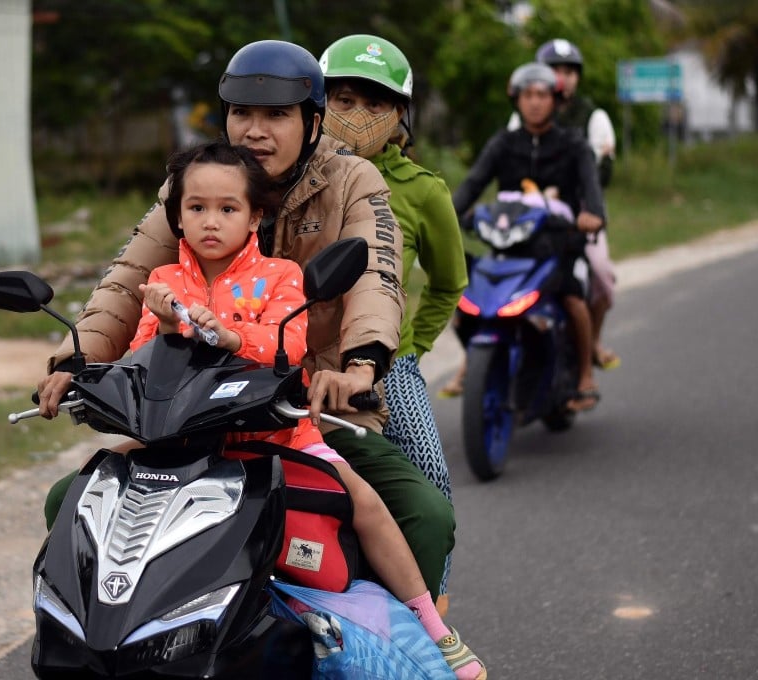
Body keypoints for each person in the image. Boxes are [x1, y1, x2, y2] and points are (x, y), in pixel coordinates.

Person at [36, 40, 460, 623]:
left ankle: (407, 635)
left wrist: (358, 367)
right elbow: (129, 277)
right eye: (242, 113)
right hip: (191, 418)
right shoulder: (197, 180)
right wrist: (72, 360)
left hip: (308, 411)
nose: (255, 131)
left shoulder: (354, 180)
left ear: (313, 122)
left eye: (277, 115)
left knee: (424, 512)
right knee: (72, 501)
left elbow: (377, 275)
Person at [131, 139, 483, 677]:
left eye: (228, 209)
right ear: (176, 215)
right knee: (96, 485)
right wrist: (164, 328)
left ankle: (432, 625)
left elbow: (286, 347)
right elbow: (140, 363)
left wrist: (229, 336)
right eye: (196, 208)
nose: (210, 222)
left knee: (361, 498)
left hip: (277, 432)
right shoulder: (162, 283)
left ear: (255, 216)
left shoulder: (281, 277)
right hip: (189, 438)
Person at [318, 34, 467, 599]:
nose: (358, 117)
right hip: (294, 356)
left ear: (402, 116)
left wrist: (410, 349)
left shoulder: (423, 192)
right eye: (345, 100)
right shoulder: (291, 181)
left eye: (376, 105)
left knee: (430, 491)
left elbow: (450, 283)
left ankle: (431, 611)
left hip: (382, 369)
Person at [451, 62, 607, 412]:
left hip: (559, 246)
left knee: (573, 300)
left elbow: (592, 190)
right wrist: (449, 213)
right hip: (509, 248)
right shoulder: (503, 144)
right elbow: (473, 184)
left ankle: (584, 373)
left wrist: (593, 215)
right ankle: (476, 366)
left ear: (555, 100)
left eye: (541, 95)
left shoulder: (574, 144)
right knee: (465, 304)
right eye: (527, 95)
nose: (534, 102)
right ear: (516, 100)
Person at [508, 39, 619, 371]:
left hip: (581, 212)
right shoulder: (523, 115)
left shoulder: (593, 117)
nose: (563, 76)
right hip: (531, 210)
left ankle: (594, 342)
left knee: (601, 275)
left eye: (570, 71)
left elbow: (604, 171)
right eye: (556, 69)